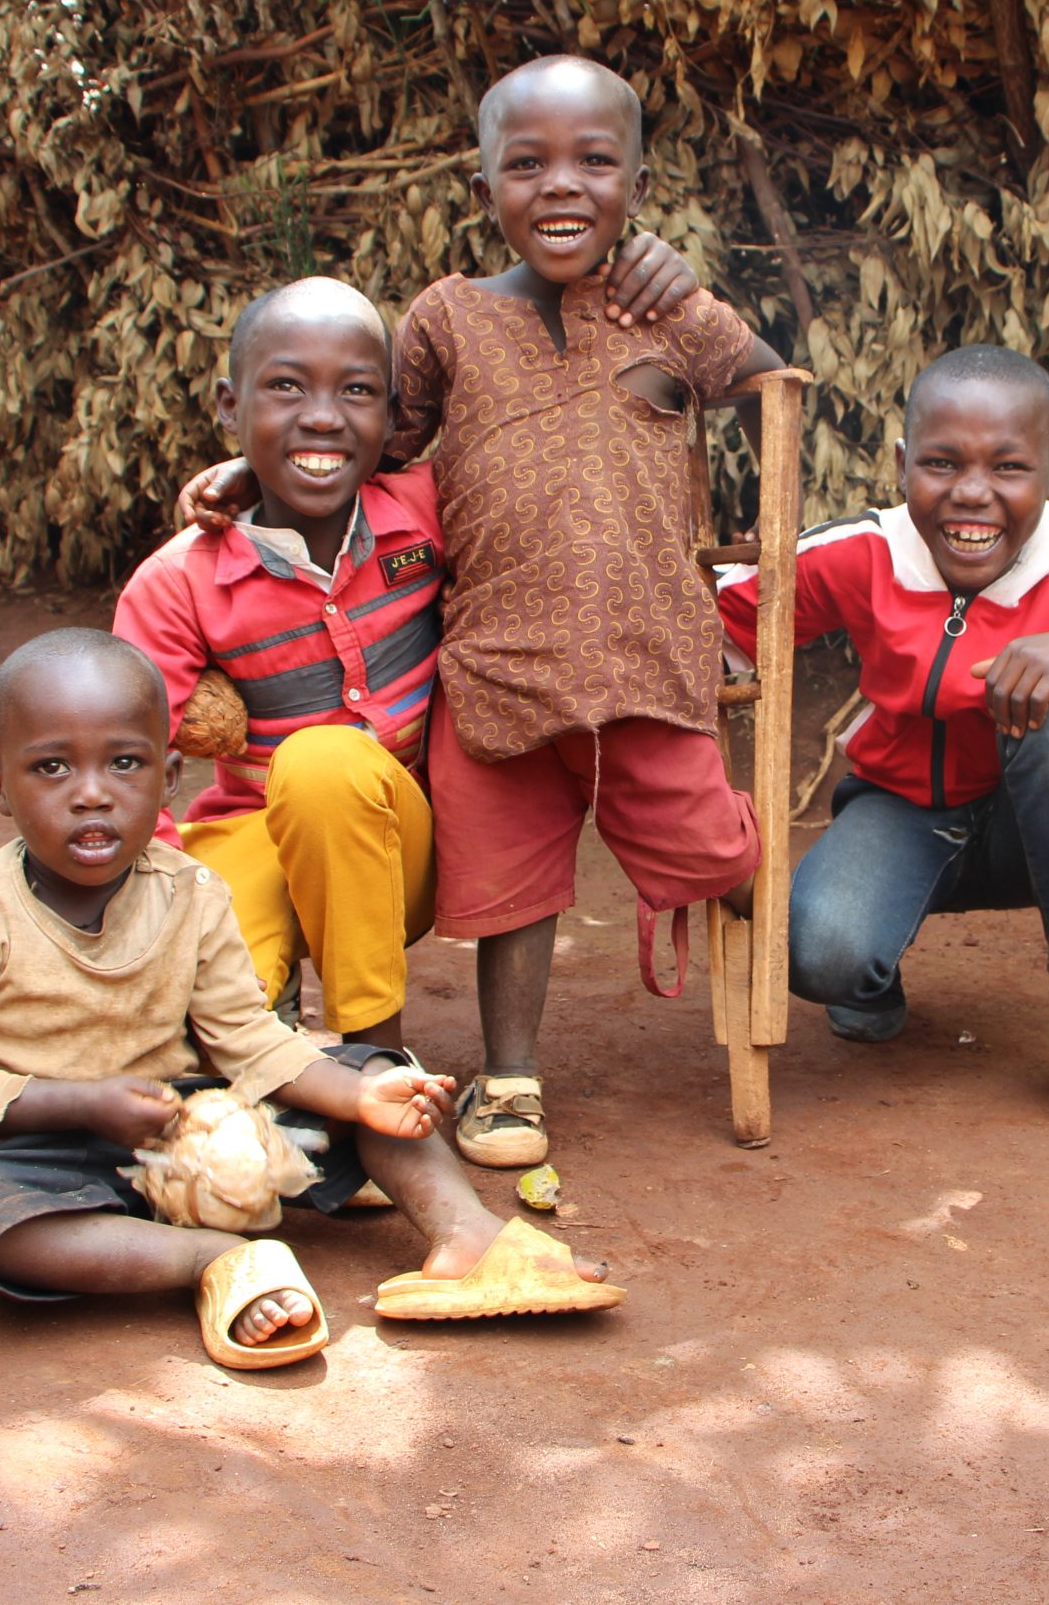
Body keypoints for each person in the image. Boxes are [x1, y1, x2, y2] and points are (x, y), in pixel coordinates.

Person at [184, 57, 785, 1168]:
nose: (563, 187)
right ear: (484, 192)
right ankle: (511, 1079)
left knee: (704, 850)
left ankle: (765, 867)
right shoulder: (446, 320)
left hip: (649, 659)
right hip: (498, 669)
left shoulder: (667, 307)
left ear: (638, 188)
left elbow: (775, 394)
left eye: (595, 163)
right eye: (528, 165)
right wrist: (250, 479)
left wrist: (693, 291)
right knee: (509, 874)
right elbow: (367, 451)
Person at [0, 629, 619, 1370]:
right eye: (51, 767)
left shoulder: (191, 891)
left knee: (374, 1073)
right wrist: (82, 1104)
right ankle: (209, 1259)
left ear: (169, 774)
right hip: (55, 1153)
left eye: (124, 763)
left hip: (203, 1127)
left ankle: (469, 1236)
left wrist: (356, 1095)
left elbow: (245, 1036)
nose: (91, 792)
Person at [714, 346, 1049, 1147]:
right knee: (819, 954)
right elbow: (719, 619)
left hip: (1037, 833)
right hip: (903, 814)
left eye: (1009, 467)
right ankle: (875, 957)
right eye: (941, 462)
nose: (971, 493)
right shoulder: (865, 551)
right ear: (900, 466)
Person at [114, 278, 439, 1053]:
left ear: (393, 417)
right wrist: (157, 921)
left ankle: (372, 1056)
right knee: (208, 1024)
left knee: (326, 762)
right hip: (250, 836)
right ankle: (269, 1042)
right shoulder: (179, 580)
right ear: (230, 405)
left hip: (402, 848)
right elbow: (130, 757)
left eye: (357, 390)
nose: (322, 415)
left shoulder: (429, 513)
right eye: (286, 386)